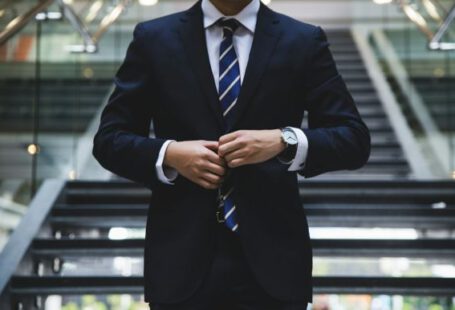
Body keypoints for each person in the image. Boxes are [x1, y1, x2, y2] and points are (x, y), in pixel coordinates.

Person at [92, 0, 371, 308]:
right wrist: (170, 154)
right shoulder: (154, 38)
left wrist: (284, 140)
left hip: (275, 265)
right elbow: (109, 140)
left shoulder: (303, 40)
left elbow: (353, 139)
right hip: (180, 262)